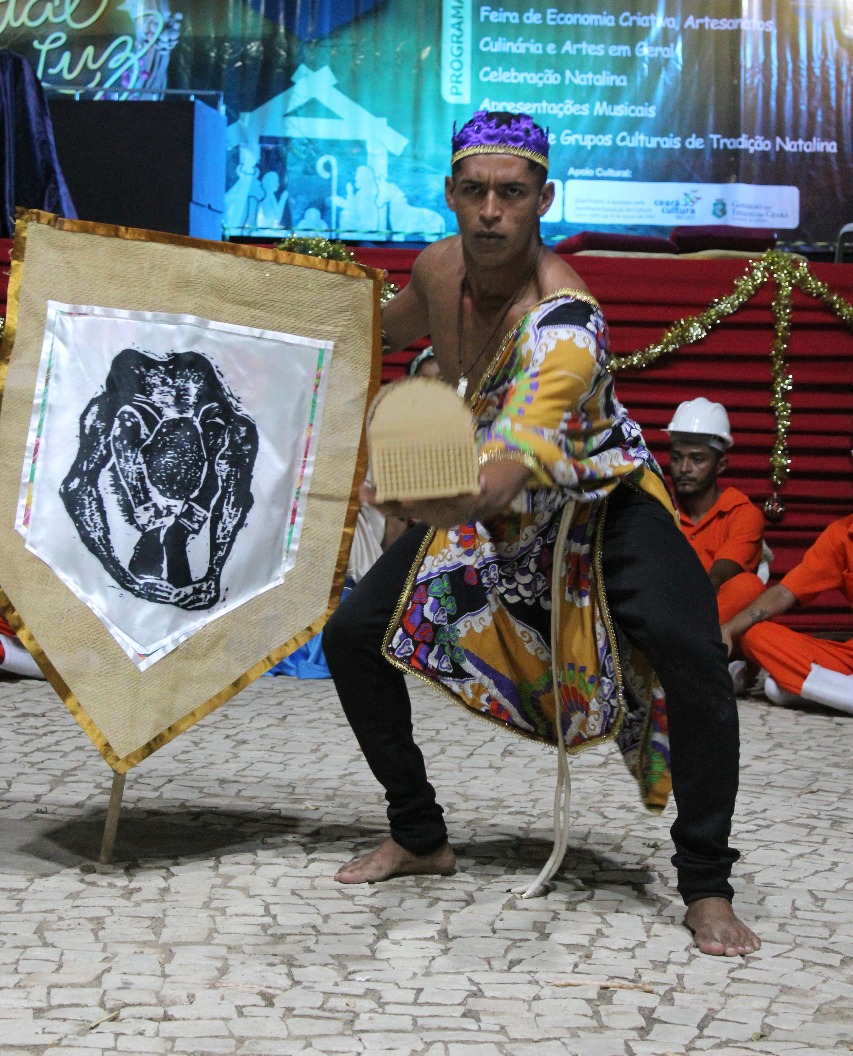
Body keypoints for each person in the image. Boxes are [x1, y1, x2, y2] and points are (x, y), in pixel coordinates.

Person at [322, 110, 759, 956]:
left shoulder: (566, 322)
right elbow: (386, 325)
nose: (491, 210)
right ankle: (418, 833)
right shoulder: (437, 267)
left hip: (596, 499)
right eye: (475, 191)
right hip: (485, 498)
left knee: (692, 650)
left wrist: (445, 496)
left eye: (512, 194)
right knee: (350, 635)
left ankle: (705, 882)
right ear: (450, 193)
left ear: (543, 199)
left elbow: (517, 453)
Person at [721, 512, 853, 714]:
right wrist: (729, 630)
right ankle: (833, 691)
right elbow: (785, 593)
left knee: (780, 688)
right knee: (756, 636)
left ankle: (815, 689)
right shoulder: (841, 533)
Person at [666, 398, 767, 625]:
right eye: (676, 458)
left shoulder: (743, 513)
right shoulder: (656, 505)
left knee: (748, 587)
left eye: (697, 459)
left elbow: (719, 578)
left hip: (711, 615)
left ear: (720, 465)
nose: (684, 468)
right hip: (663, 609)